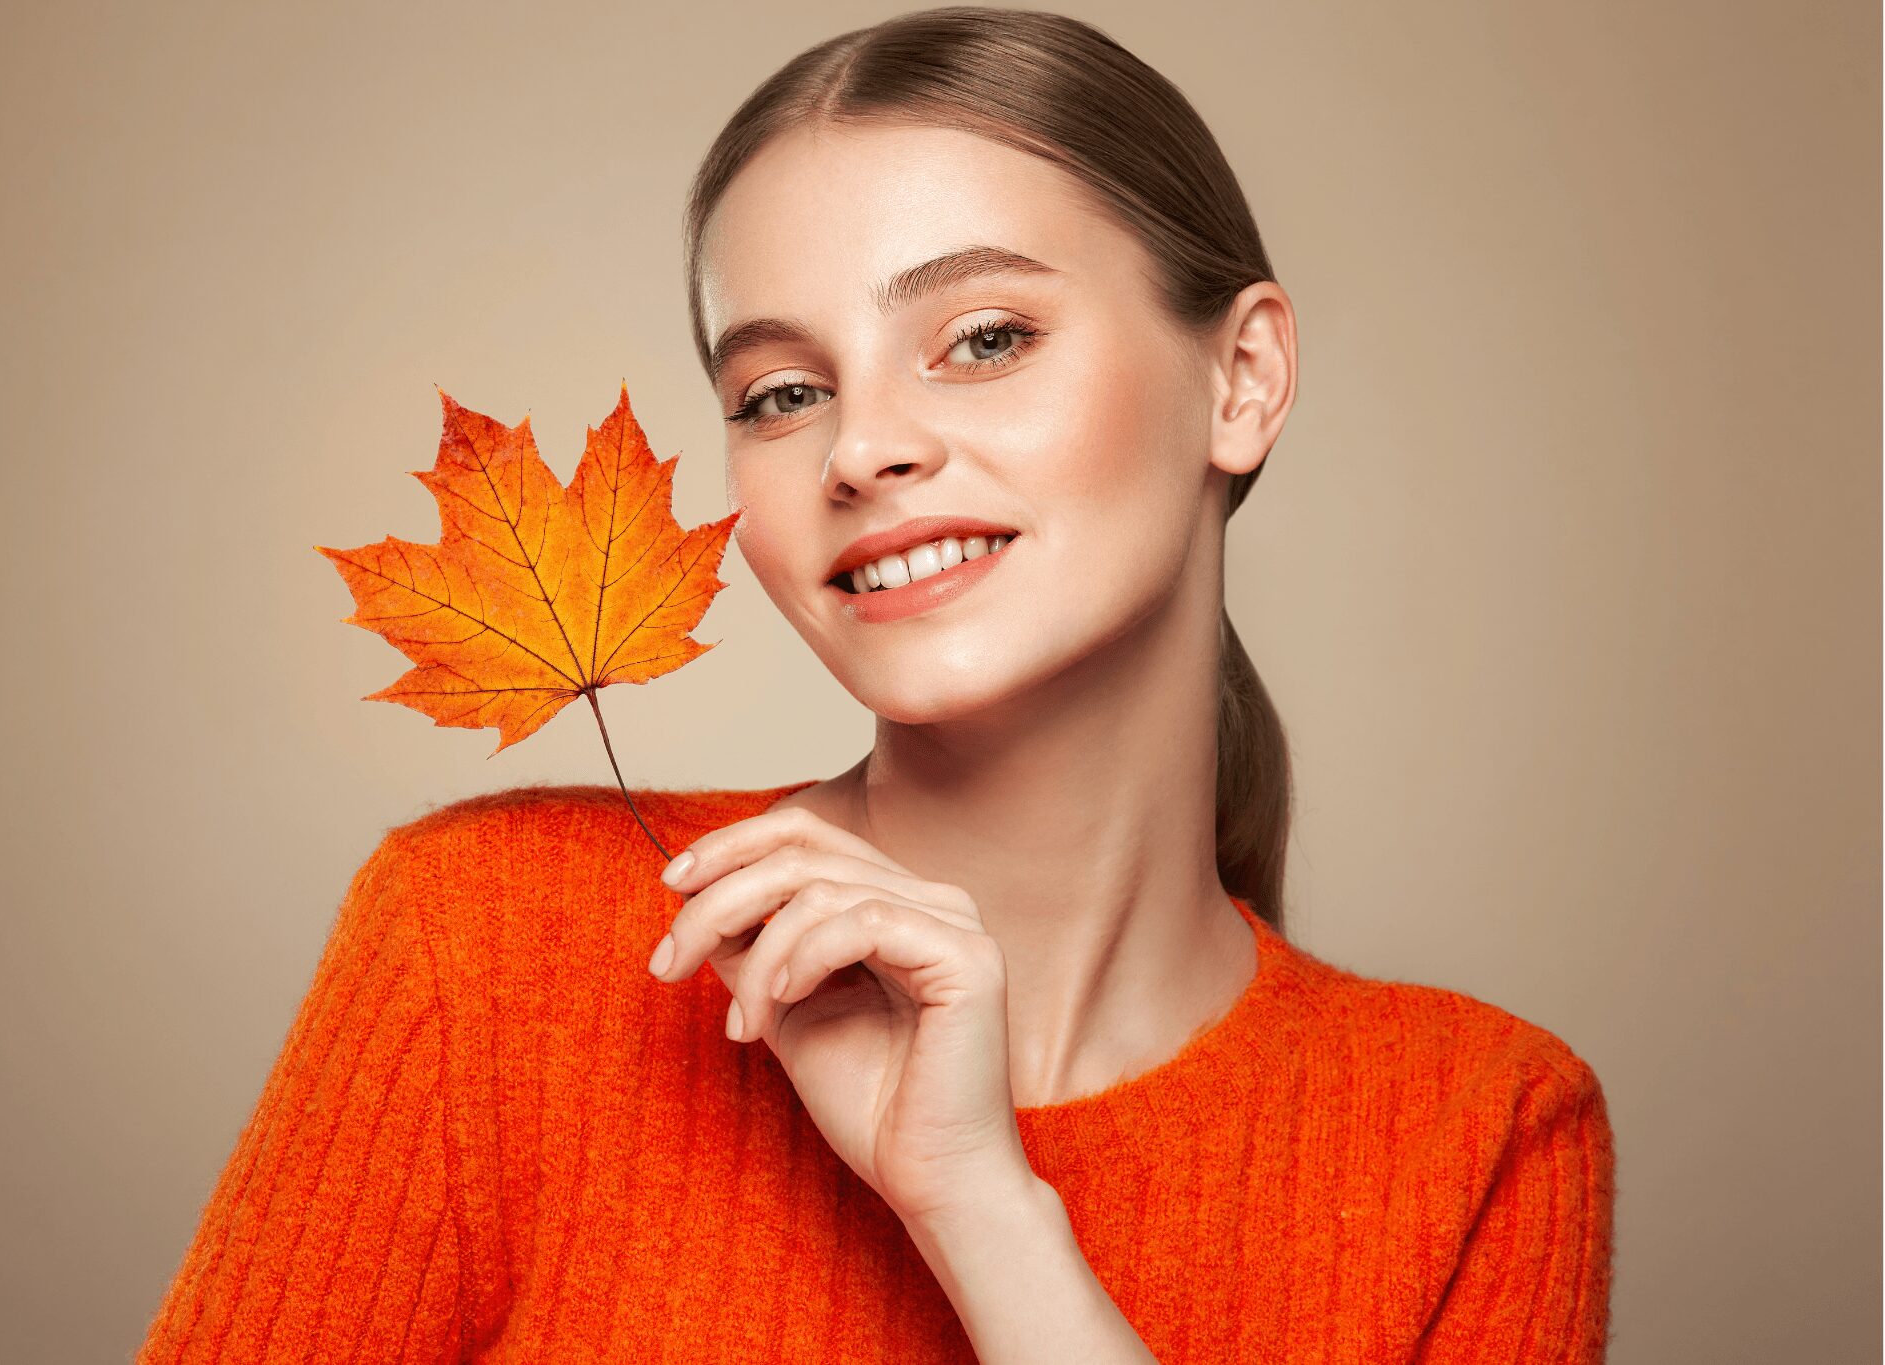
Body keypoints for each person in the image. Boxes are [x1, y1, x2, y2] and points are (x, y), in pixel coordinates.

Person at [137, 9, 1615, 1362]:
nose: (860, 448)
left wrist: (984, 1211)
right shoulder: (486, 947)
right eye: (782, 392)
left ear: (1240, 379)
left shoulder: (1477, 1131)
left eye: (983, 338)